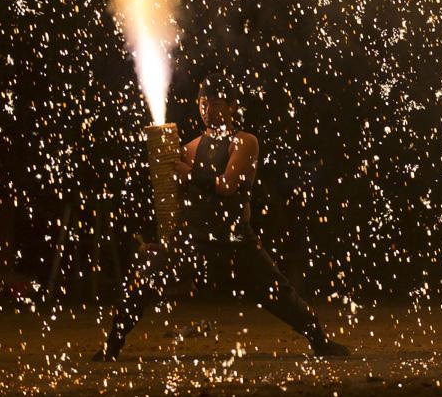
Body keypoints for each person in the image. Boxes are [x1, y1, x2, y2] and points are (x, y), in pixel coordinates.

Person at [93, 74, 349, 360]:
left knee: (278, 292)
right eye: (203, 103)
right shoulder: (190, 148)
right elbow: (171, 190)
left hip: (235, 238)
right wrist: (162, 161)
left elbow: (227, 185)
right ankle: (112, 345)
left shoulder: (244, 142)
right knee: (144, 281)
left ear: (232, 106)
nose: (208, 109)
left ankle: (319, 340)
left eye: (215, 103)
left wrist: (188, 174)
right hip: (194, 237)